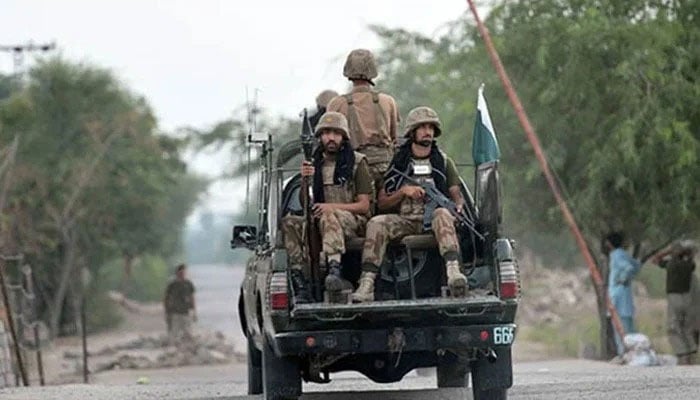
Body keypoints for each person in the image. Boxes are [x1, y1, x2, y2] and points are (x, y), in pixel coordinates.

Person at [351, 106, 468, 303]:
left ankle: (454, 273)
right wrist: (403, 192)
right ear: (412, 132)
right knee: (376, 223)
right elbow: (383, 202)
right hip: (405, 220)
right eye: (422, 127)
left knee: (443, 214)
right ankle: (367, 284)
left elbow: (456, 194)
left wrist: (457, 207)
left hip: (434, 221)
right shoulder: (398, 163)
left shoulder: (443, 162)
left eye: (431, 127)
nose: (427, 132)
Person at [282, 111, 373, 303]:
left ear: (343, 136)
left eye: (336, 133)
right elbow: (307, 204)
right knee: (290, 222)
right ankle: (300, 281)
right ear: (319, 137)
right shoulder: (315, 163)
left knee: (328, 216)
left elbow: (364, 206)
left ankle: (334, 269)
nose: (331, 138)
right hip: (321, 220)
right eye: (326, 133)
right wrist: (306, 179)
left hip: (353, 222)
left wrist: (330, 207)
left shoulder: (357, 162)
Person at [326, 49, 400, 189]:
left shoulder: (336, 104)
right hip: (385, 168)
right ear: (373, 71)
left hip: (352, 167)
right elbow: (393, 137)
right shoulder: (388, 101)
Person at [651, 240, 698, 365]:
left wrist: (667, 251)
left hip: (674, 298)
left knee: (674, 328)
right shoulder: (689, 265)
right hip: (687, 298)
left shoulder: (670, 264)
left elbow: (655, 259)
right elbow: (691, 259)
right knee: (686, 327)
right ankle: (692, 354)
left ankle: (682, 355)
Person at [604, 232, 641, 356]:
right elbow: (636, 265)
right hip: (625, 294)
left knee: (619, 326)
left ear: (609, 243)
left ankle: (624, 353)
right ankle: (633, 352)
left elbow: (629, 268)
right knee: (628, 325)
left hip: (618, 294)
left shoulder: (615, 255)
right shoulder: (624, 254)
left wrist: (623, 278)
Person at [163, 264, 196, 343]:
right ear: (177, 273)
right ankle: (173, 348)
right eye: (181, 273)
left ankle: (186, 349)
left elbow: (192, 298)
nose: (182, 274)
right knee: (174, 333)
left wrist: (194, 311)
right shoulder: (172, 284)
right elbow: (166, 298)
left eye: (184, 272)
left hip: (186, 311)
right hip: (174, 312)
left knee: (188, 333)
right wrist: (167, 311)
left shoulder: (188, 284)